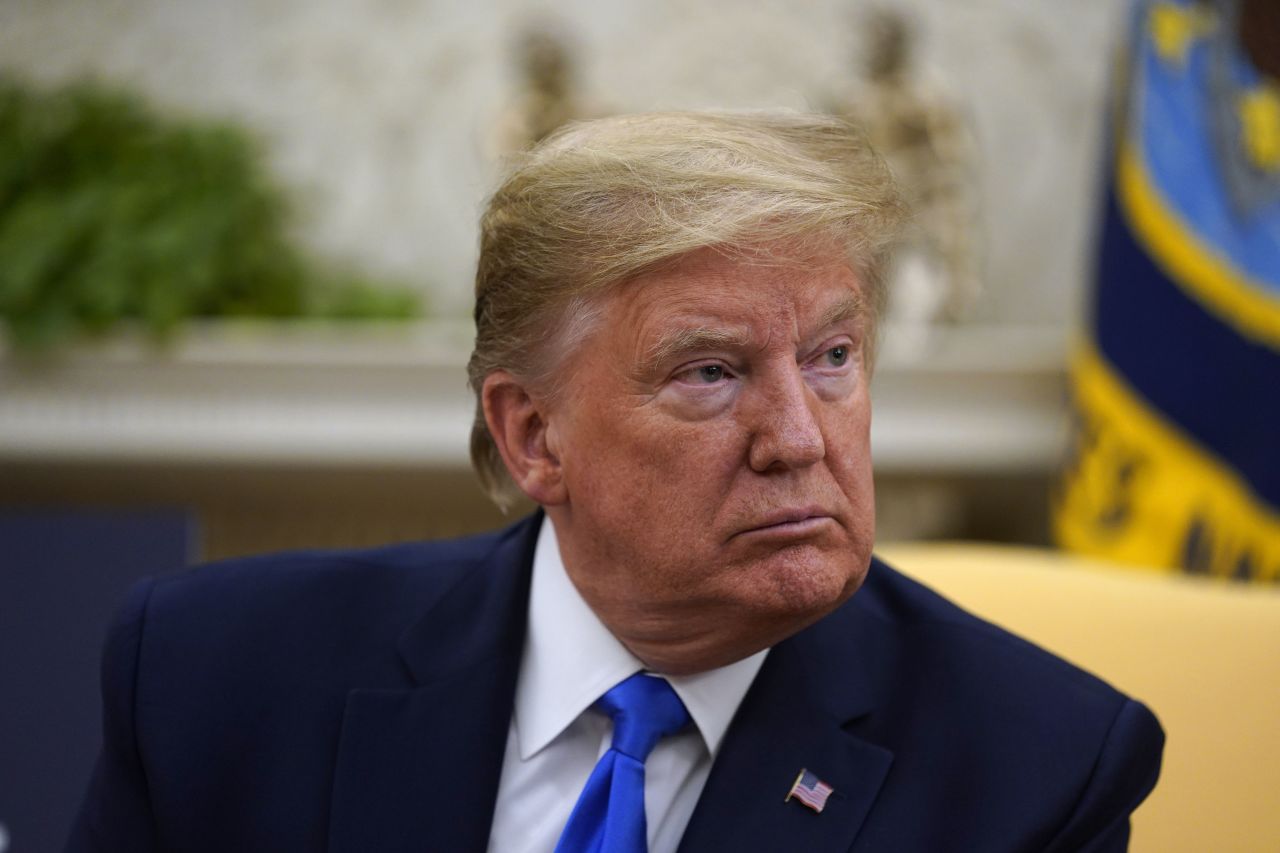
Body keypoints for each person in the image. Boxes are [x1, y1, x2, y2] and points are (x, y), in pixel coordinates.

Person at [67, 111, 1163, 853]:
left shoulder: (1036, 769)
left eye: (831, 357)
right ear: (533, 434)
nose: (798, 436)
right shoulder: (214, 677)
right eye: (709, 372)